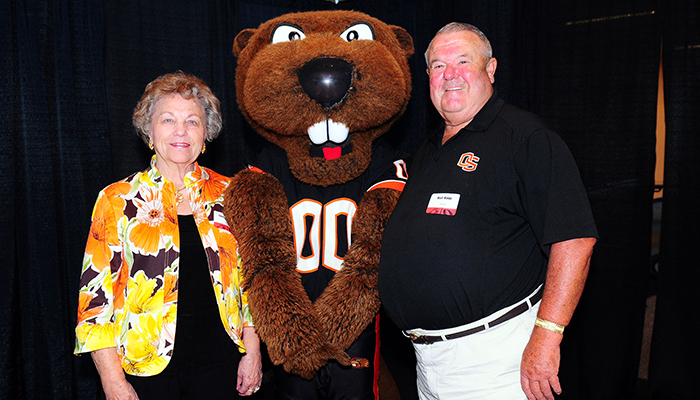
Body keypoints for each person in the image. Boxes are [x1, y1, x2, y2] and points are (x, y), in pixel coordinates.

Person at [378, 23, 598, 400]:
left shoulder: (525, 137)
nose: (450, 75)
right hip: (429, 365)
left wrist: (547, 336)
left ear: (491, 69)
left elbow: (575, 240)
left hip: (497, 362)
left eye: (463, 61)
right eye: (438, 66)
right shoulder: (430, 147)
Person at [74, 72, 262, 399]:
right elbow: (95, 301)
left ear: (206, 134)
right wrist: (112, 381)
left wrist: (253, 352)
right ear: (149, 130)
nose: (180, 131)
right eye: (168, 119)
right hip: (144, 370)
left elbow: (253, 283)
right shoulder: (116, 200)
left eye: (192, 121)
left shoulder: (234, 193)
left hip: (224, 366)